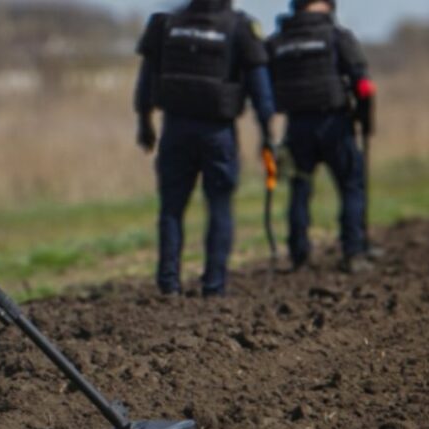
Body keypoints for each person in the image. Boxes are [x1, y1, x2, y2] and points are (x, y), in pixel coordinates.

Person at [135, 0, 275, 297]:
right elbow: (260, 90)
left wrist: (144, 124)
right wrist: (267, 135)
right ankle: (214, 286)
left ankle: (168, 284)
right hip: (218, 133)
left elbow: (146, 80)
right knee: (219, 207)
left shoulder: (165, 24)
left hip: (174, 129)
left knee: (171, 208)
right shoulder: (240, 27)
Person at [267, 0, 376, 273]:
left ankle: (299, 254)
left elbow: (264, 86)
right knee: (351, 185)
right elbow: (363, 85)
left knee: (300, 189)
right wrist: (365, 121)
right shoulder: (337, 36)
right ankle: (354, 252)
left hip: (296, 127)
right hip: (335, 125)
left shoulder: (277, 42)